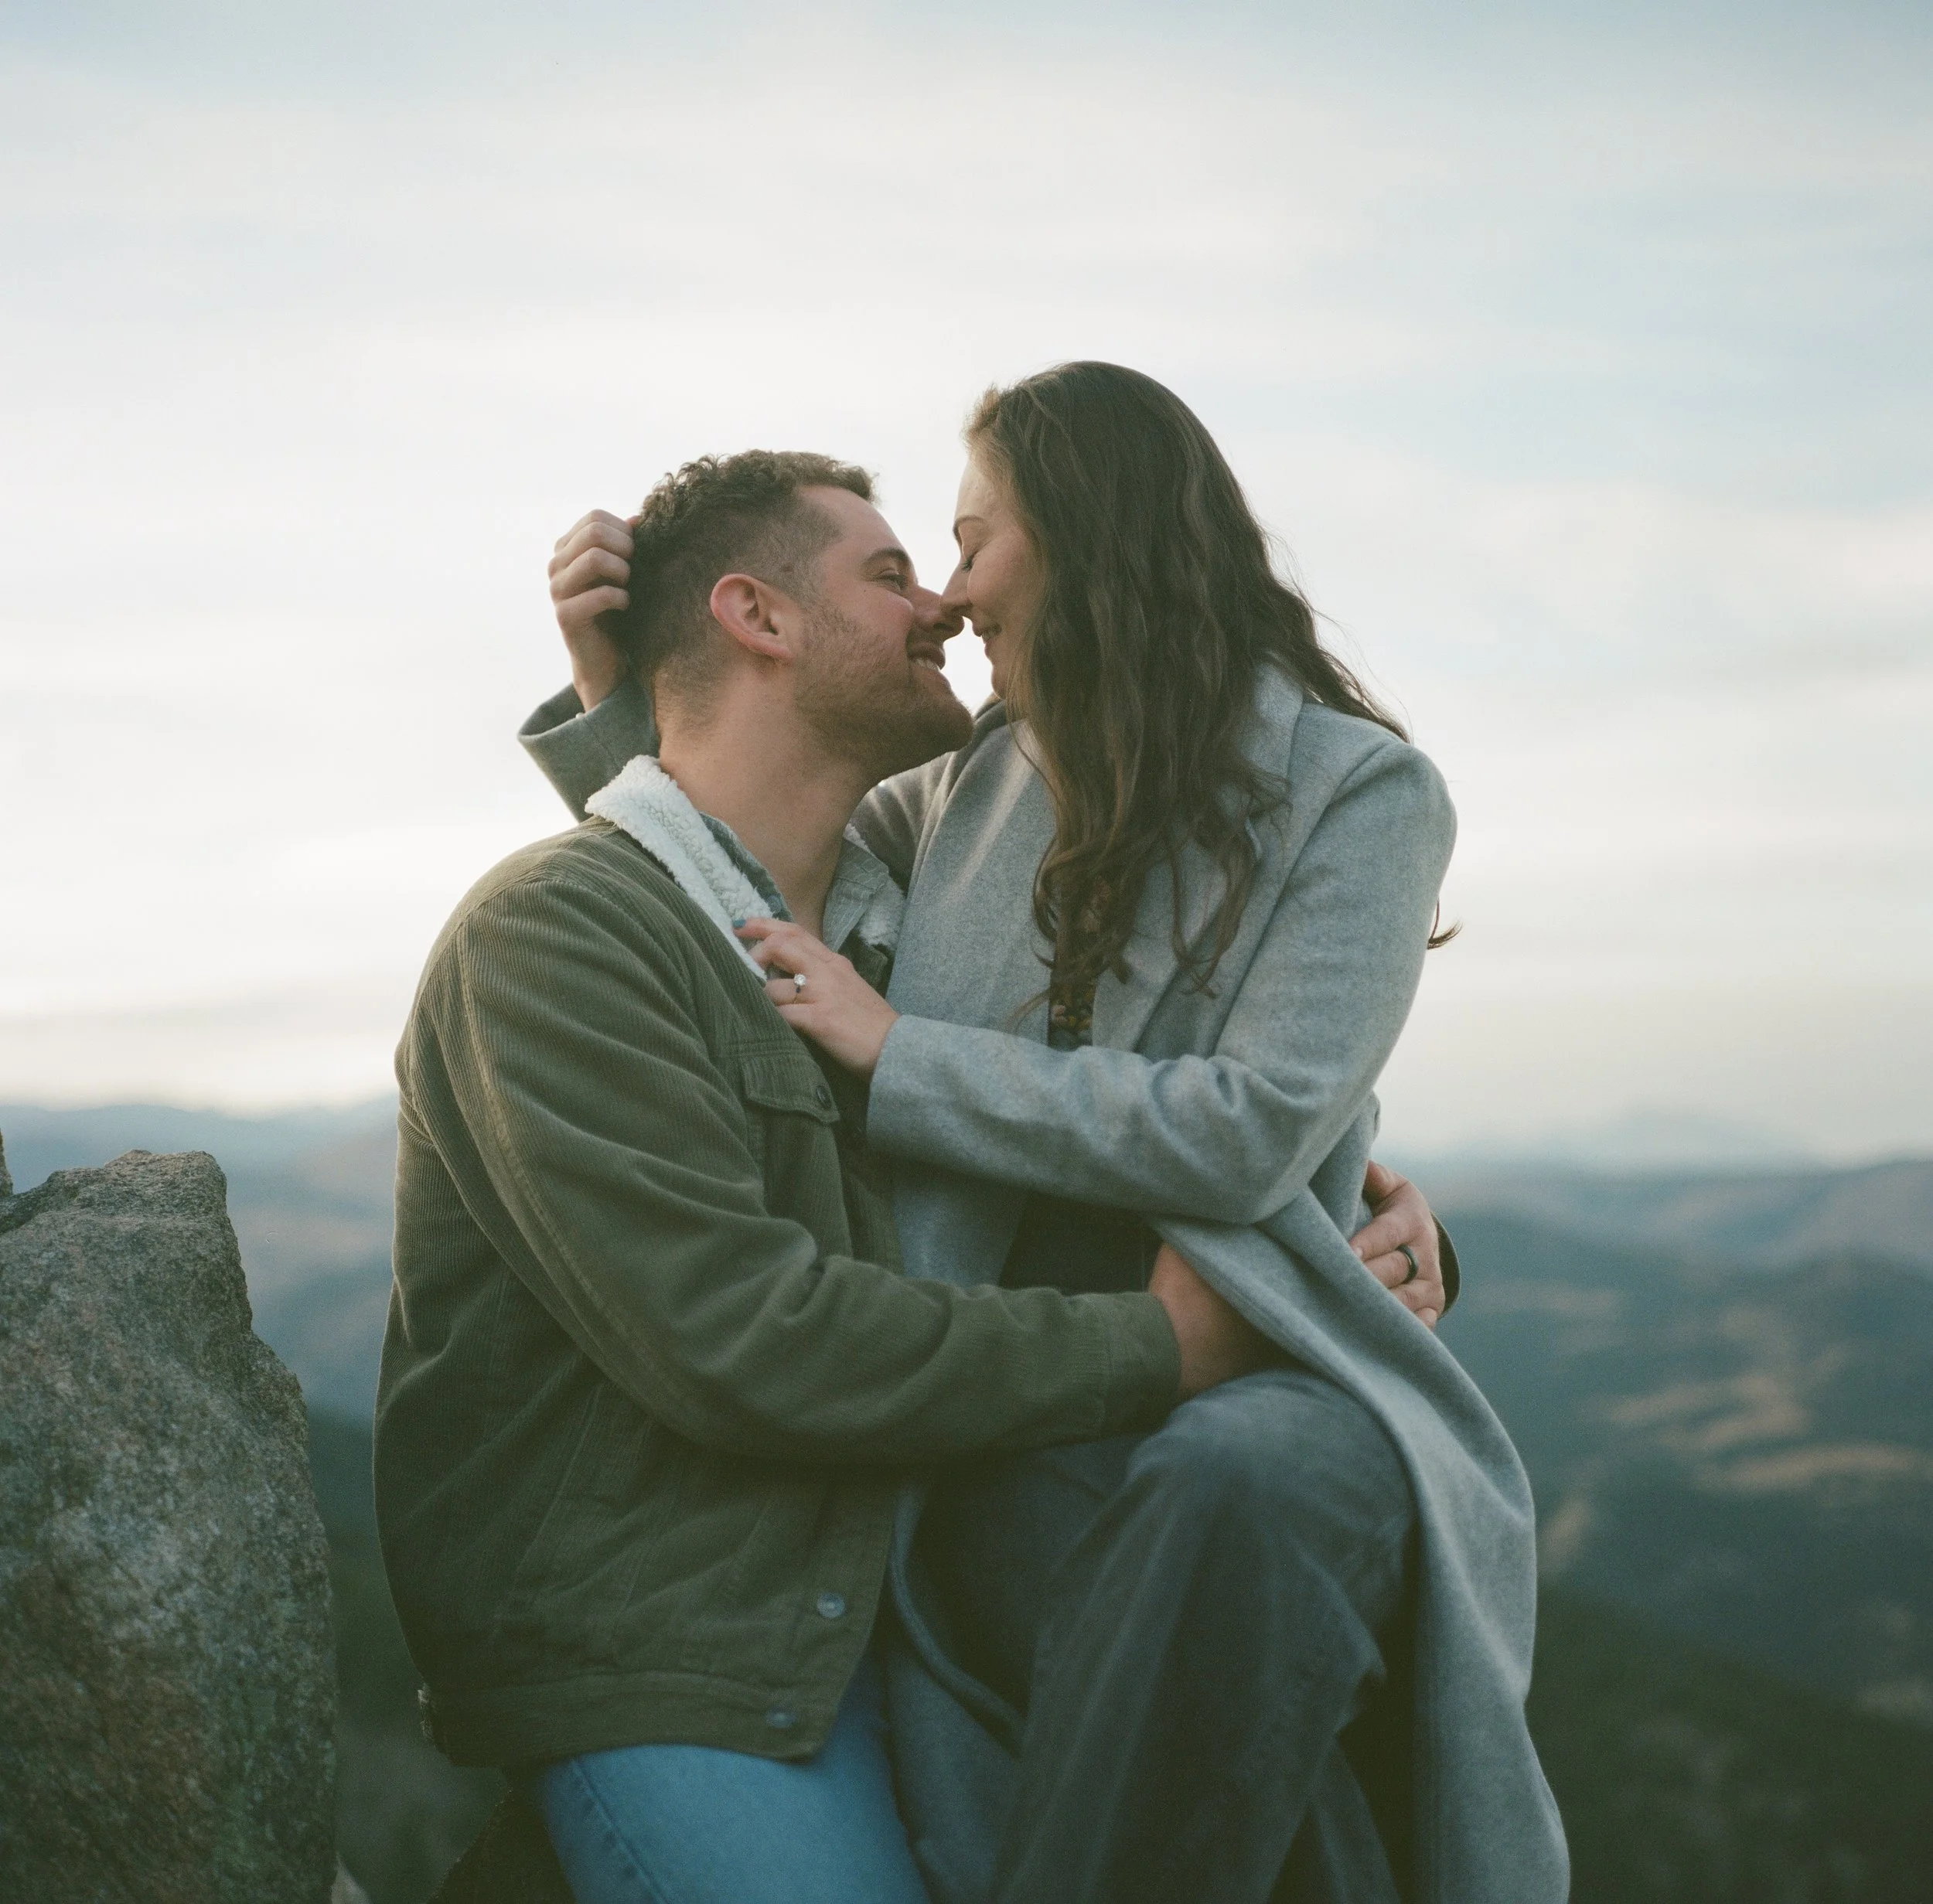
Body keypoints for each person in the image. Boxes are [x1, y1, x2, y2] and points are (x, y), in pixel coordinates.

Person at [525, 366, 1563, 1904]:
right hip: (1012, 1409)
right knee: (1297, 1818)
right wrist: (632, 684)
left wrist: (902, 1054)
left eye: (971, 537)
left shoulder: (1361, 792)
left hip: (1267, 1373)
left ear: (1087, 535)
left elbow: (1249, 1131)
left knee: (1262, 1477)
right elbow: (737, 858)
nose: (947, 592)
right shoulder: (961, 789)